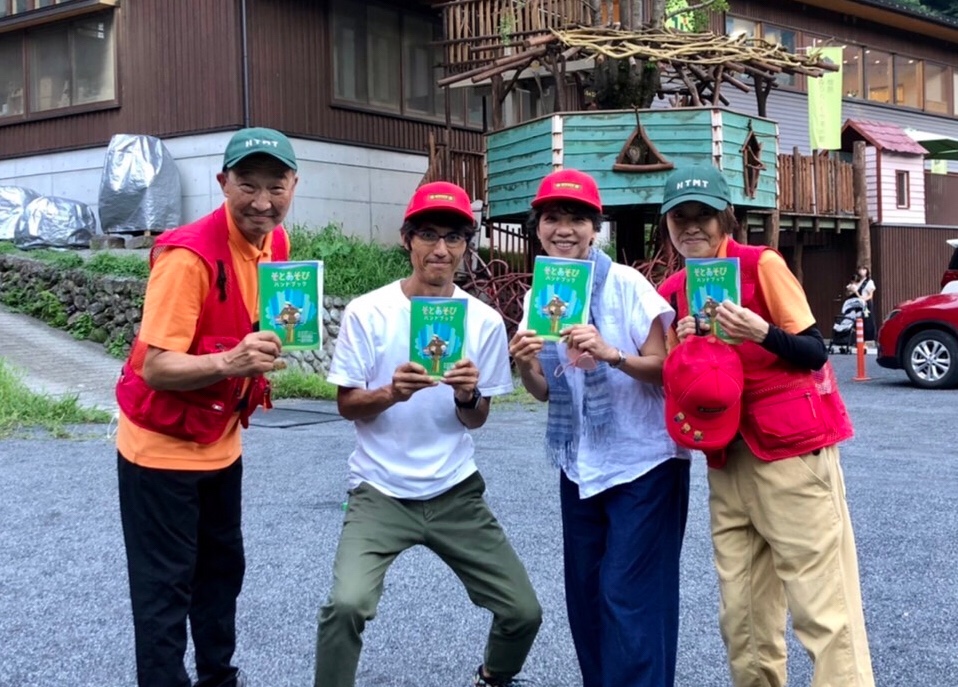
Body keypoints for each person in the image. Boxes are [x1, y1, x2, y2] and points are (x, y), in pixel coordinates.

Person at [314, 181, 542, 687]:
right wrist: (391, 393)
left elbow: (476, 419)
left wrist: (466, 395)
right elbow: (347, 405)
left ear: (466, 246)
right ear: (407, 240)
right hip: (379, 489)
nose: (441, 249)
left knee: (523, 610)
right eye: (428, 235)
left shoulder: (482, 321)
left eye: (454, 237)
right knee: (346, 604)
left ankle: (493, 677)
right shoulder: (368, 311)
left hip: (455, 489)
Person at [656, 163, 875, 687]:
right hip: (725, 460)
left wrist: (760, 332)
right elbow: (680, 382)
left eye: (704, 215)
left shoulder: (762, 264)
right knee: (744, 619)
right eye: (680, 217)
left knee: (824, 609)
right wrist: (684, 347)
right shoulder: (675, 290)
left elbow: (815, 350)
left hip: (792, 456)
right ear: (667, 225)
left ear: (727, 217)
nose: (692, 226)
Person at [114, 127, 299, 687]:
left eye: (276, 187)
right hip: (159, 452)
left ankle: (219, 678)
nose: (262, 202)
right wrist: (230, 362)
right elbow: (155, 367)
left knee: (221, 574)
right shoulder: (186, 257)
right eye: (248, 185)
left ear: (293, 186)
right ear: (223, 183)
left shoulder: (277, 245)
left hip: (221, 444)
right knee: (165, 588)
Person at [509, 169, 691, 687]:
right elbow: (544, 391)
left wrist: (613, 354)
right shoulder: (542, 293)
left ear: (595, 228)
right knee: (586, 598)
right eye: (552, 218)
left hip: (644, 462)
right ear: (538, 228)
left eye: (577, 219)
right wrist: (524, 362)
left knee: (629, 595)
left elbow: (667, 368)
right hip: (580, 465)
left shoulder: (627, 284)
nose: (564, 229)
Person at [846, 265, 877, 342]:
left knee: (867, 321)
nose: (861, 271)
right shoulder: (856, 281)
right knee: (855, 320)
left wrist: (863, 299)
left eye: (864, 269)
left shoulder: (869, 282)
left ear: (867, 271)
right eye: (860, 269)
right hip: (856, 304)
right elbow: (848, 293)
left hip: (865, 304)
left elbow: (870, 296)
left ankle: (868, 339)